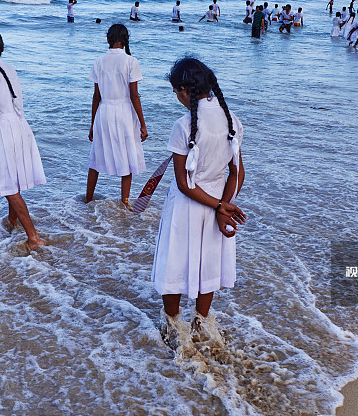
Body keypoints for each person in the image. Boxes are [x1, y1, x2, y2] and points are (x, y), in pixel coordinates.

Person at [152, 57, 246, 339]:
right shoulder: (231, 120)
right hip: (218, 200)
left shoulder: (184, 125)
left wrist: (219, 206)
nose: (177, 98)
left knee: (174, 266)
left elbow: (184, 184)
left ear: (184, 90)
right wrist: (222, 208)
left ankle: (173, 329)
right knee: (209, 265)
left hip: (188, 206)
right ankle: (201, 325)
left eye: (175, 92)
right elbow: (237, 173)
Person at [0, 30, 47, 250]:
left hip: (6, 129)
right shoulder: (9, 68)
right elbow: (3, 108)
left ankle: (33, 238)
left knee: (8, 187)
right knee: (13, 181)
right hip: (20, 125)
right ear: (2, 48)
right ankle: (13, 223)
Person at [86, 24, 148, 207]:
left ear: (108, 39)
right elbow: (134, 95)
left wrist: (92, 124)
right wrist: (143, 124)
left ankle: (88, 199)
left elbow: (96, 96)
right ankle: (125, 202)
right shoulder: (131, 61)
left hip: (104, 111)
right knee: (127, 158)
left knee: (96, 157)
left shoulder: (99, 61)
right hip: (124, 112)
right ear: (126, 40)